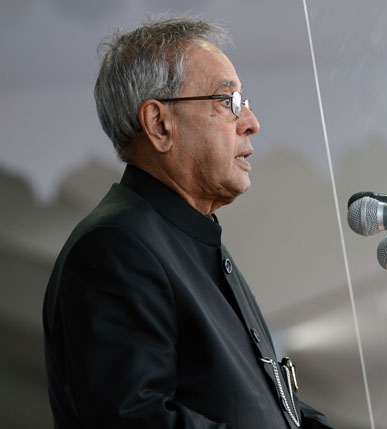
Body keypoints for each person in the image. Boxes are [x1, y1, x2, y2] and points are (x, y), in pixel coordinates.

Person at [43, 16, 332, 429]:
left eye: (245, 101)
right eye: (227, 101)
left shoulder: (188, 239)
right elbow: (136, 421)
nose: (251, 122)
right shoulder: (115, 249)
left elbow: (274, 412)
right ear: (160, 124)